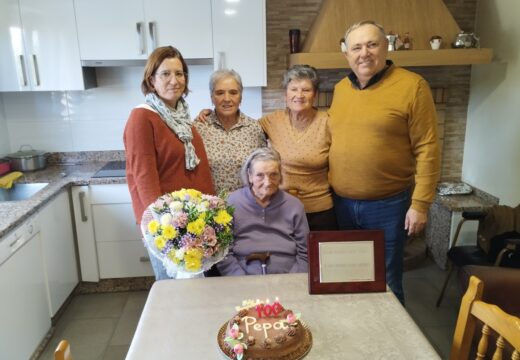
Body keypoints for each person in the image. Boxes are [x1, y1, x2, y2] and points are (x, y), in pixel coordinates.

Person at [328, 20, 440, 304]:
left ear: (385, 47)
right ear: (347, 54)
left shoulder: (412, 86)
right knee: (351, 278)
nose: (364, 53)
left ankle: (395, 346)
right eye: (356, 47)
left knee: (386, 281)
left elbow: (428, 148)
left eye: (371, 44)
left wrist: (420, 204)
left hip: (388, 206)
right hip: (341, 203)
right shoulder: (341, 89)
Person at [124, 46, 215, 280]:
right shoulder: (142, 117)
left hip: (192, 221)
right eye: (165, 74)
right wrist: (167, 227)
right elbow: (144, 178)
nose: (174, 80)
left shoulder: (181, 117)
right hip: (167, 226)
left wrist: (209, 212)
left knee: (194, 292)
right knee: (172, 295)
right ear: (151, 80)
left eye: (180, 73)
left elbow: (196, 168)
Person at [260, 65, 337, 231]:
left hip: (320, 211)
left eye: (306, 90)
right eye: (293, 89)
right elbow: (245, 128)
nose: (299, 95)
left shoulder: (328, 122)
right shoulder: (273, 121)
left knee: (318, 257)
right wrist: (211, 113)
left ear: (315, 95)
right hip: (282, 208)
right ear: (285, 94)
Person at [217, 148, 309, 275]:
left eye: (274, 175)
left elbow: (306, 253)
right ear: (250, 176)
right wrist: (239, 280)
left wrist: (293, 280)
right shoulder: (231, 203)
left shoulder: (294, 205)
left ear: (280, 175)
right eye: (260, 175)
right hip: (242, 279)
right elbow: (223, 252)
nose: (268, 182)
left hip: (287, 277)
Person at [194, 69, 266, 194]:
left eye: (233, 92)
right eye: (220, 93)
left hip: (246, 205)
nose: (227, 99)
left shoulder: (254, 128)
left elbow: (262, 170)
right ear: (212, 97)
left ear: (241, 97)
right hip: (209, 207)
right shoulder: (199, 128)